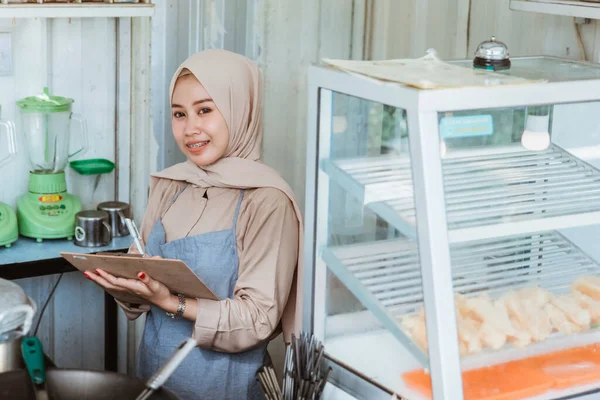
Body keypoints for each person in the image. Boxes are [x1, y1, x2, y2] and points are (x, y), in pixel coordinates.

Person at [83, 49, 304, 400]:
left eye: (205, 110)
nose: (190, 129)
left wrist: (173, 301)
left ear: (239, 108)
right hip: (155, 379)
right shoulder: (170, 184)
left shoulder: (268, 201)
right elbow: (140, 296)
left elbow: (259, 319)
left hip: (227, 387)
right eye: (179, 114)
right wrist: (123, 285)